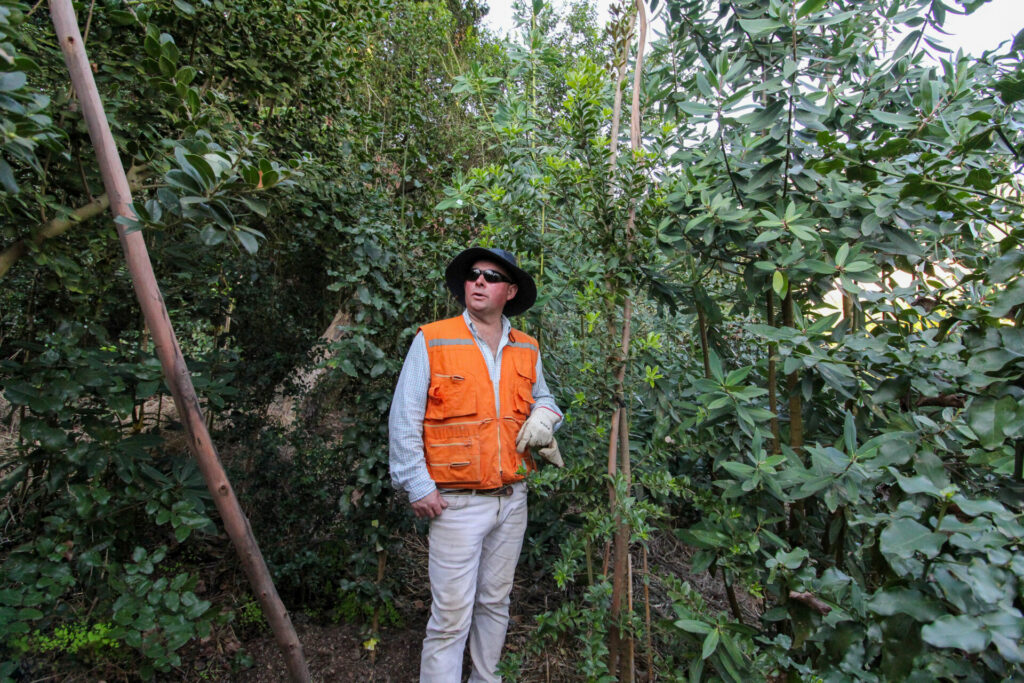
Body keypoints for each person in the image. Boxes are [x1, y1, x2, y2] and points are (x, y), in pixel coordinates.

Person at [389, 246, 563, 683]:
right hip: (455, 504)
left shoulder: (526, 347)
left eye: (490, 276)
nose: (479, 281)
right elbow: (404, 417)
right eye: (473, 275)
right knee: (449, 617)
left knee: (495, 603)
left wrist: (547, 417)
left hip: (512, 500)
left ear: (510, 290)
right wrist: (417, 484)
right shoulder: (432, 339)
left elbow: (546, 399)